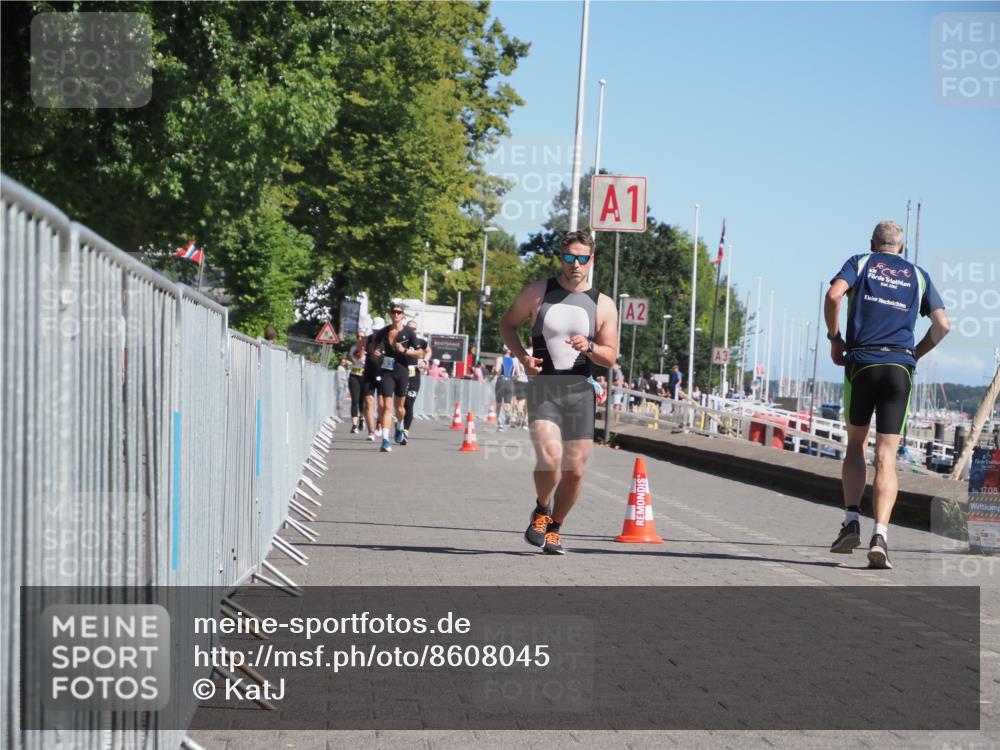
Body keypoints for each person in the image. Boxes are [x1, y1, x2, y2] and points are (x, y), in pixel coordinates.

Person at [826, 220, 949, 569]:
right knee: (887, 455)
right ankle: (880, 535)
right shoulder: (918, 274)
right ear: (902, 247)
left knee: (856, 445)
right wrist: (916, 353)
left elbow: (834, 295)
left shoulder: (860, 263)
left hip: (862, 362)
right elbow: (943, 325)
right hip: (899, 368)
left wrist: (835, 338)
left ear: (872, 243)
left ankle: (852, 521)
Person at [499, 230, 618, 555]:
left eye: (582, 258)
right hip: (544, 387)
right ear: (561, 258)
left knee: (575, 469)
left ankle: (556, 527)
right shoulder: (538, 293)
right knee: (549, 458)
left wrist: (591, 346)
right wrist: (524, 358)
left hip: (580, 390)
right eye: (569, 257)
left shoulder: (602, 304)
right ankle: (541, 508)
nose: (575, 264)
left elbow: (610, 356)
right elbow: (507, 325)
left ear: (591, 261)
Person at [371, 305, 422, 452]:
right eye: (393, 312)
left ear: (403, 315)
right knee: (387, 406)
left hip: (402, 371)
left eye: (399, 312)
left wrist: (405, 351)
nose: (396, 314)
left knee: (400, 407)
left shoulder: (409, 333)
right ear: (391, 314)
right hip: (387, 371)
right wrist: (376, 352)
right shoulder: (384, 331)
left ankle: (400, 426)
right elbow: (376, 344)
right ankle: (385, 440)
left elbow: (420, 353)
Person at [402, 319, 429, 444]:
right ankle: (398, 426)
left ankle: (405, 431)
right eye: (409, 328)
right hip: (401, 374)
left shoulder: (420, 342)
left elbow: (428, 351)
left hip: (414, 376)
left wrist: (424, 361)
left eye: (414, 329)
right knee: (400, 405)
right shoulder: (400, 341)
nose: (411, 331)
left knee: (409, 404)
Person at [347, 333, 371, 435]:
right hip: (354, 375)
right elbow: (351, 359)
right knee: (355, 401)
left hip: (365, 377)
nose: (360, 338)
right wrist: (350, 361)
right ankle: (354, 425)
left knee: (363, 401)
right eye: (358, 336)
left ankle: (362, 417)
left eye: (362, 337)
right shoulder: (353, 348)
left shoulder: (369, 348)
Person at [493, 345, 517, 430]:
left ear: (503, 350)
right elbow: (517, 373)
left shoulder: (499, 359)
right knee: (507, 403)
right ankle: (508, 416)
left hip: (501, 381)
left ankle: (500, 423)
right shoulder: (515, 361)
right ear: (510, 351)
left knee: (499, 403)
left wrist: (493, 374)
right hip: (510, 382)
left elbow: (496, 370)